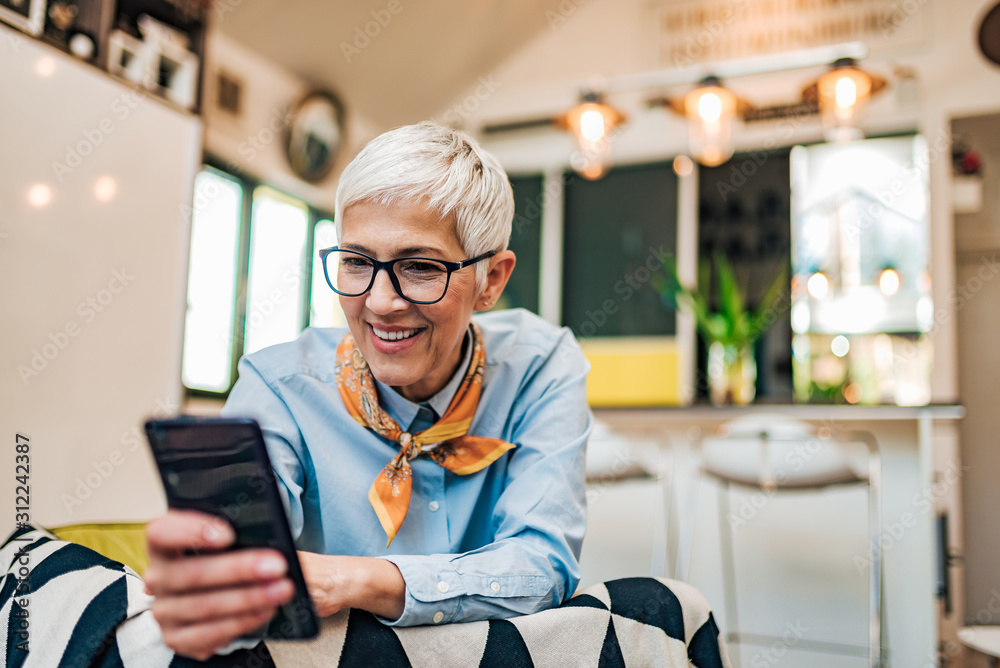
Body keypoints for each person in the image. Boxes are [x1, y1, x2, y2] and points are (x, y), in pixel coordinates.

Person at [143, 121, 593, 660]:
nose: (380, 302)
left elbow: (542, 564)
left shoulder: (540, 366)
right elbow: (235, 569)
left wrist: (363, 580)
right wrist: (209, 576)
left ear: (492, 280)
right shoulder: (280, 386)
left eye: (420, 267)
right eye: (357, 262)